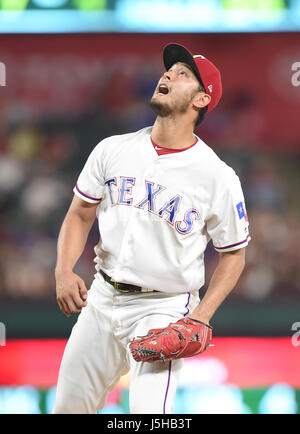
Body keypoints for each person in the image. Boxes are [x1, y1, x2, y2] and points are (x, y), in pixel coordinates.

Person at [53, 43, 250, 414]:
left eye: (183, 74)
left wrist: (199, 317)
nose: (169, 75)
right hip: (101, 298)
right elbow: (80, 213)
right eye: (169, 70)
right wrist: (64, 269)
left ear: (201, 99)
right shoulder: (113, 149)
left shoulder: (217, 176)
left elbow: (234, 255)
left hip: (163, 309)